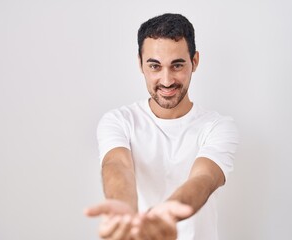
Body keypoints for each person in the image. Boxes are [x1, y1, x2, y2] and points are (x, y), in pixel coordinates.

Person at [85, 13, 239, 240]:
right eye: (155, 66)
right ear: (140, 63)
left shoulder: (217, 126)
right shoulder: (119, 121)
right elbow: (117, 165)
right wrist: (123, 207)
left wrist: (163, 216)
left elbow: (204, 178)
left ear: (194, 61)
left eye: (177, 65)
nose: (166, 80)